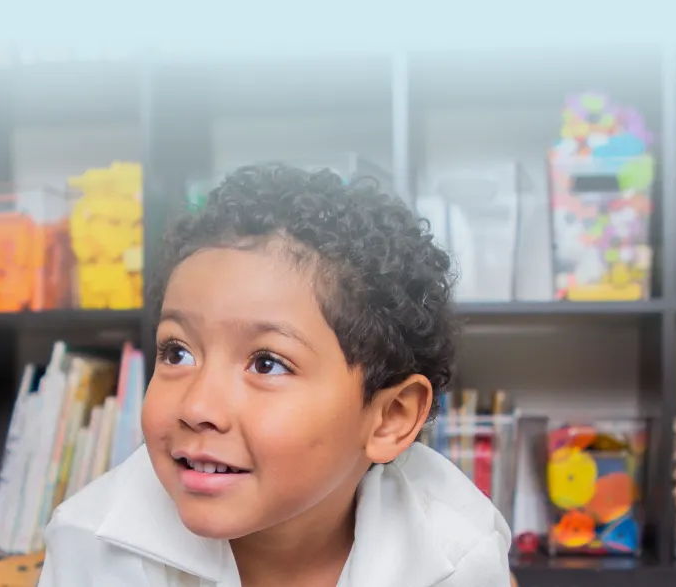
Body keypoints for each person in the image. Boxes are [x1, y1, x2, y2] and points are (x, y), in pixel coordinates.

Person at [40, 164, 512, 586]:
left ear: (390, 417)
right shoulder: (91, 547)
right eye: (177, 353)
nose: (197, 407)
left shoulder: (455, 553)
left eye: (267, 363)